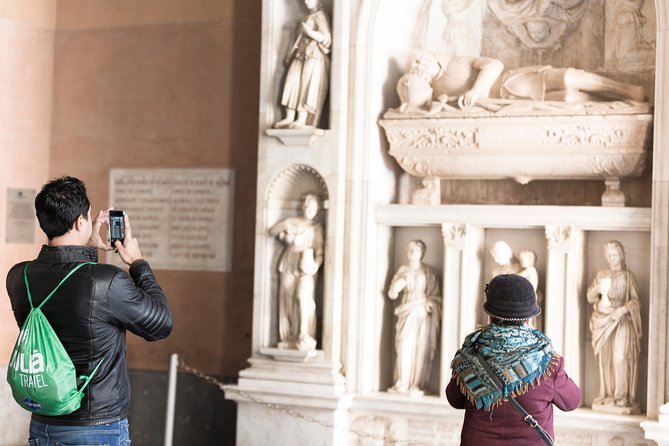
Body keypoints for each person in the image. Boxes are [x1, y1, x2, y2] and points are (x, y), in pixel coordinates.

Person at [6, 176, 173, 445]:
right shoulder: (107, 281)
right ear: (80, 222)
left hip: (44, 424)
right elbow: (161, 324)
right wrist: (138, 263)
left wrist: (85, 251)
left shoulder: (18, 277)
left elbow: (70, 288)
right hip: (98, 426)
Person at [446, 274, 581, 445]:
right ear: (529, 318)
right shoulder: (546, 361)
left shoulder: (470, 353)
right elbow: (572, 401)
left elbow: (454, 399)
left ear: (490, 315)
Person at [398, 49, 645, 113]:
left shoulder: (456, 61)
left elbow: (494, 64)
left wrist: (476, 89)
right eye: (415, 66)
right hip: (505, 101)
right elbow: (421, 104)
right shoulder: (436, 87)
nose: (421, 65)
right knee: (570, 100)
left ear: (429, 54)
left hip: (512, 81)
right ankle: (618, 105)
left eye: (420, 59)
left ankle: (626, 90)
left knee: (568, 77)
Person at [586, 240, 642, 413]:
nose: (612, 258)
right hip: (603, 320)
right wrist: (597, 288)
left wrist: (623, 310)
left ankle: (622, 397)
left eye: (615, 254)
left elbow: (635, 301)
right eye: (609, 255)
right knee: (606, 359)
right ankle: (608, 395)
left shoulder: (628, 275)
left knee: (620, 357)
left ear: (622, 255)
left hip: (623, 321)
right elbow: (590, 297)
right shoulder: (602, 274)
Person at [269, 193, 324, 351]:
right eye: (306, 206)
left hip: (306, 266)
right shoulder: (293, 221)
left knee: (302, 297)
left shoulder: (317, 229)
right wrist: (286, 233)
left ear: (317, 209)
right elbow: (272, 231)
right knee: (288, 299)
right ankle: (289, 336)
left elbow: (320, 252)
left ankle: (304, 334)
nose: (309, 209)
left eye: (312, 206)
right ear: (303, 207)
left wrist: (315, 266)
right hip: (288, 262)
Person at [387, 240, 441, 395]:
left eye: (417, 250)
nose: (413, 252)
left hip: (423, 313)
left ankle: (417, 384)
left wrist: (429, 303)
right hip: (406, 311)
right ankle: (402, 382)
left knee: (421, 347)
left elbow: (435, 297)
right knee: (404, 346)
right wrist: (397, 286)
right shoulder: (403, 270)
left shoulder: (429, 271)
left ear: (422, 253)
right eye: (411, 249)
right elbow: (391, 294)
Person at [273, 0, 331, 129]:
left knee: (306, 85)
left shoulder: (320, 16)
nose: (306, 1)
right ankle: (289, 116)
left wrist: (309, 32)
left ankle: (302, 119)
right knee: (292, 83)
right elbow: (296, 40)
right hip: (299, 55)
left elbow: (326, 39)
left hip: (314, 56)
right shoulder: (304, 18)